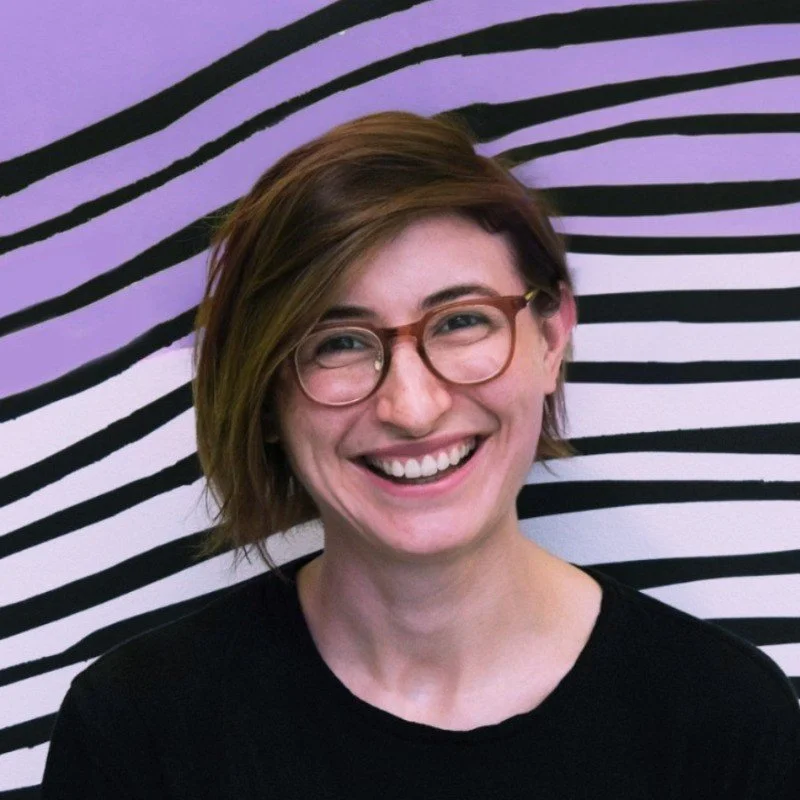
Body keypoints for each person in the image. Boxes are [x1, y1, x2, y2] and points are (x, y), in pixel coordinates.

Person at [42, 111, 798, 799]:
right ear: (267, 391)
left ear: (552, 337)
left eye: (462, 322)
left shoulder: (726, 721)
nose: (412, 407)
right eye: (337, 342)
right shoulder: (136, 733)